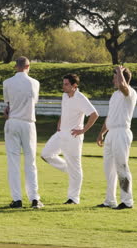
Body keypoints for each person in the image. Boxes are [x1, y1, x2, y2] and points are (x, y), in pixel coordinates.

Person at [41, 74, 99, 205]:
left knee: (76, 168)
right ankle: (68, 169)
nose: (63, 86)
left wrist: (83, 130)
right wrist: (60, 122)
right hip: (61, 133)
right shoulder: (64, 96)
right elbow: (64, 111)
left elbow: (94, 115)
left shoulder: (80, 98)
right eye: (63, 83)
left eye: (66, 84)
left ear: (74, 86)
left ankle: (73, 198)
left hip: (74, 136)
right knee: (45, 154)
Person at [3, 56, 43, 209]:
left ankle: (17, 199)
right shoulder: (35, 83)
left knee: (13, 162)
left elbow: (8, 105)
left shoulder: (7, 83)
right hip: (28, 123)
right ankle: (34, 198)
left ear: (16, 66)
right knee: (30, 161)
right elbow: (34, 102)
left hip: (13, 121)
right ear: (28, 66)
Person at [96, 66, 137, 210]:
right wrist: (102, 132)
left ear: (123, 78)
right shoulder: (114, 95)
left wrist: (119, 71)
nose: (113, 80)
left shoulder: (130, 93)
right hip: (111, 133)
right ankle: (110, 200)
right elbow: (110, 116)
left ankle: (127, 201)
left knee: (122, 167)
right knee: (109, 169)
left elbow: (123, 86)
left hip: (122, 132)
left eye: (115, 77)